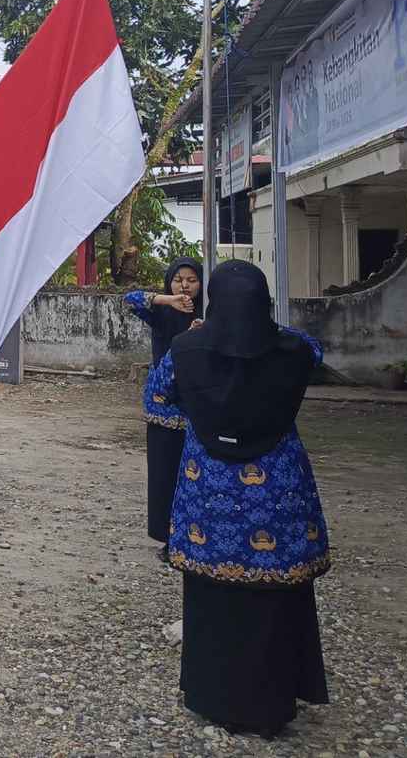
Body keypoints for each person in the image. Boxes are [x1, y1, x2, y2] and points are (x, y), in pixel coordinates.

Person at [165, 260, 330, 738]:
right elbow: (314, 353)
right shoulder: (295, 350)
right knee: (273, 599)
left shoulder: (184, 349)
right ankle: (272, 701)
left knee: (213, 598)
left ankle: (212, 695)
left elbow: (162, 392)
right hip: (275, 496)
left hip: (209, 500)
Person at [124, 257, 204, 561]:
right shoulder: (160, 311)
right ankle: (168, 537)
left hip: (199, 406)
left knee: (195, 476)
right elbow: (130, 299)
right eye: (177, 280)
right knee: (164, 475)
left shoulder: (214, 313)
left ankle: (195, 538)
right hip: (163, 409)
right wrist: (168, 301)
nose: (184, 286)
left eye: (192, 280)